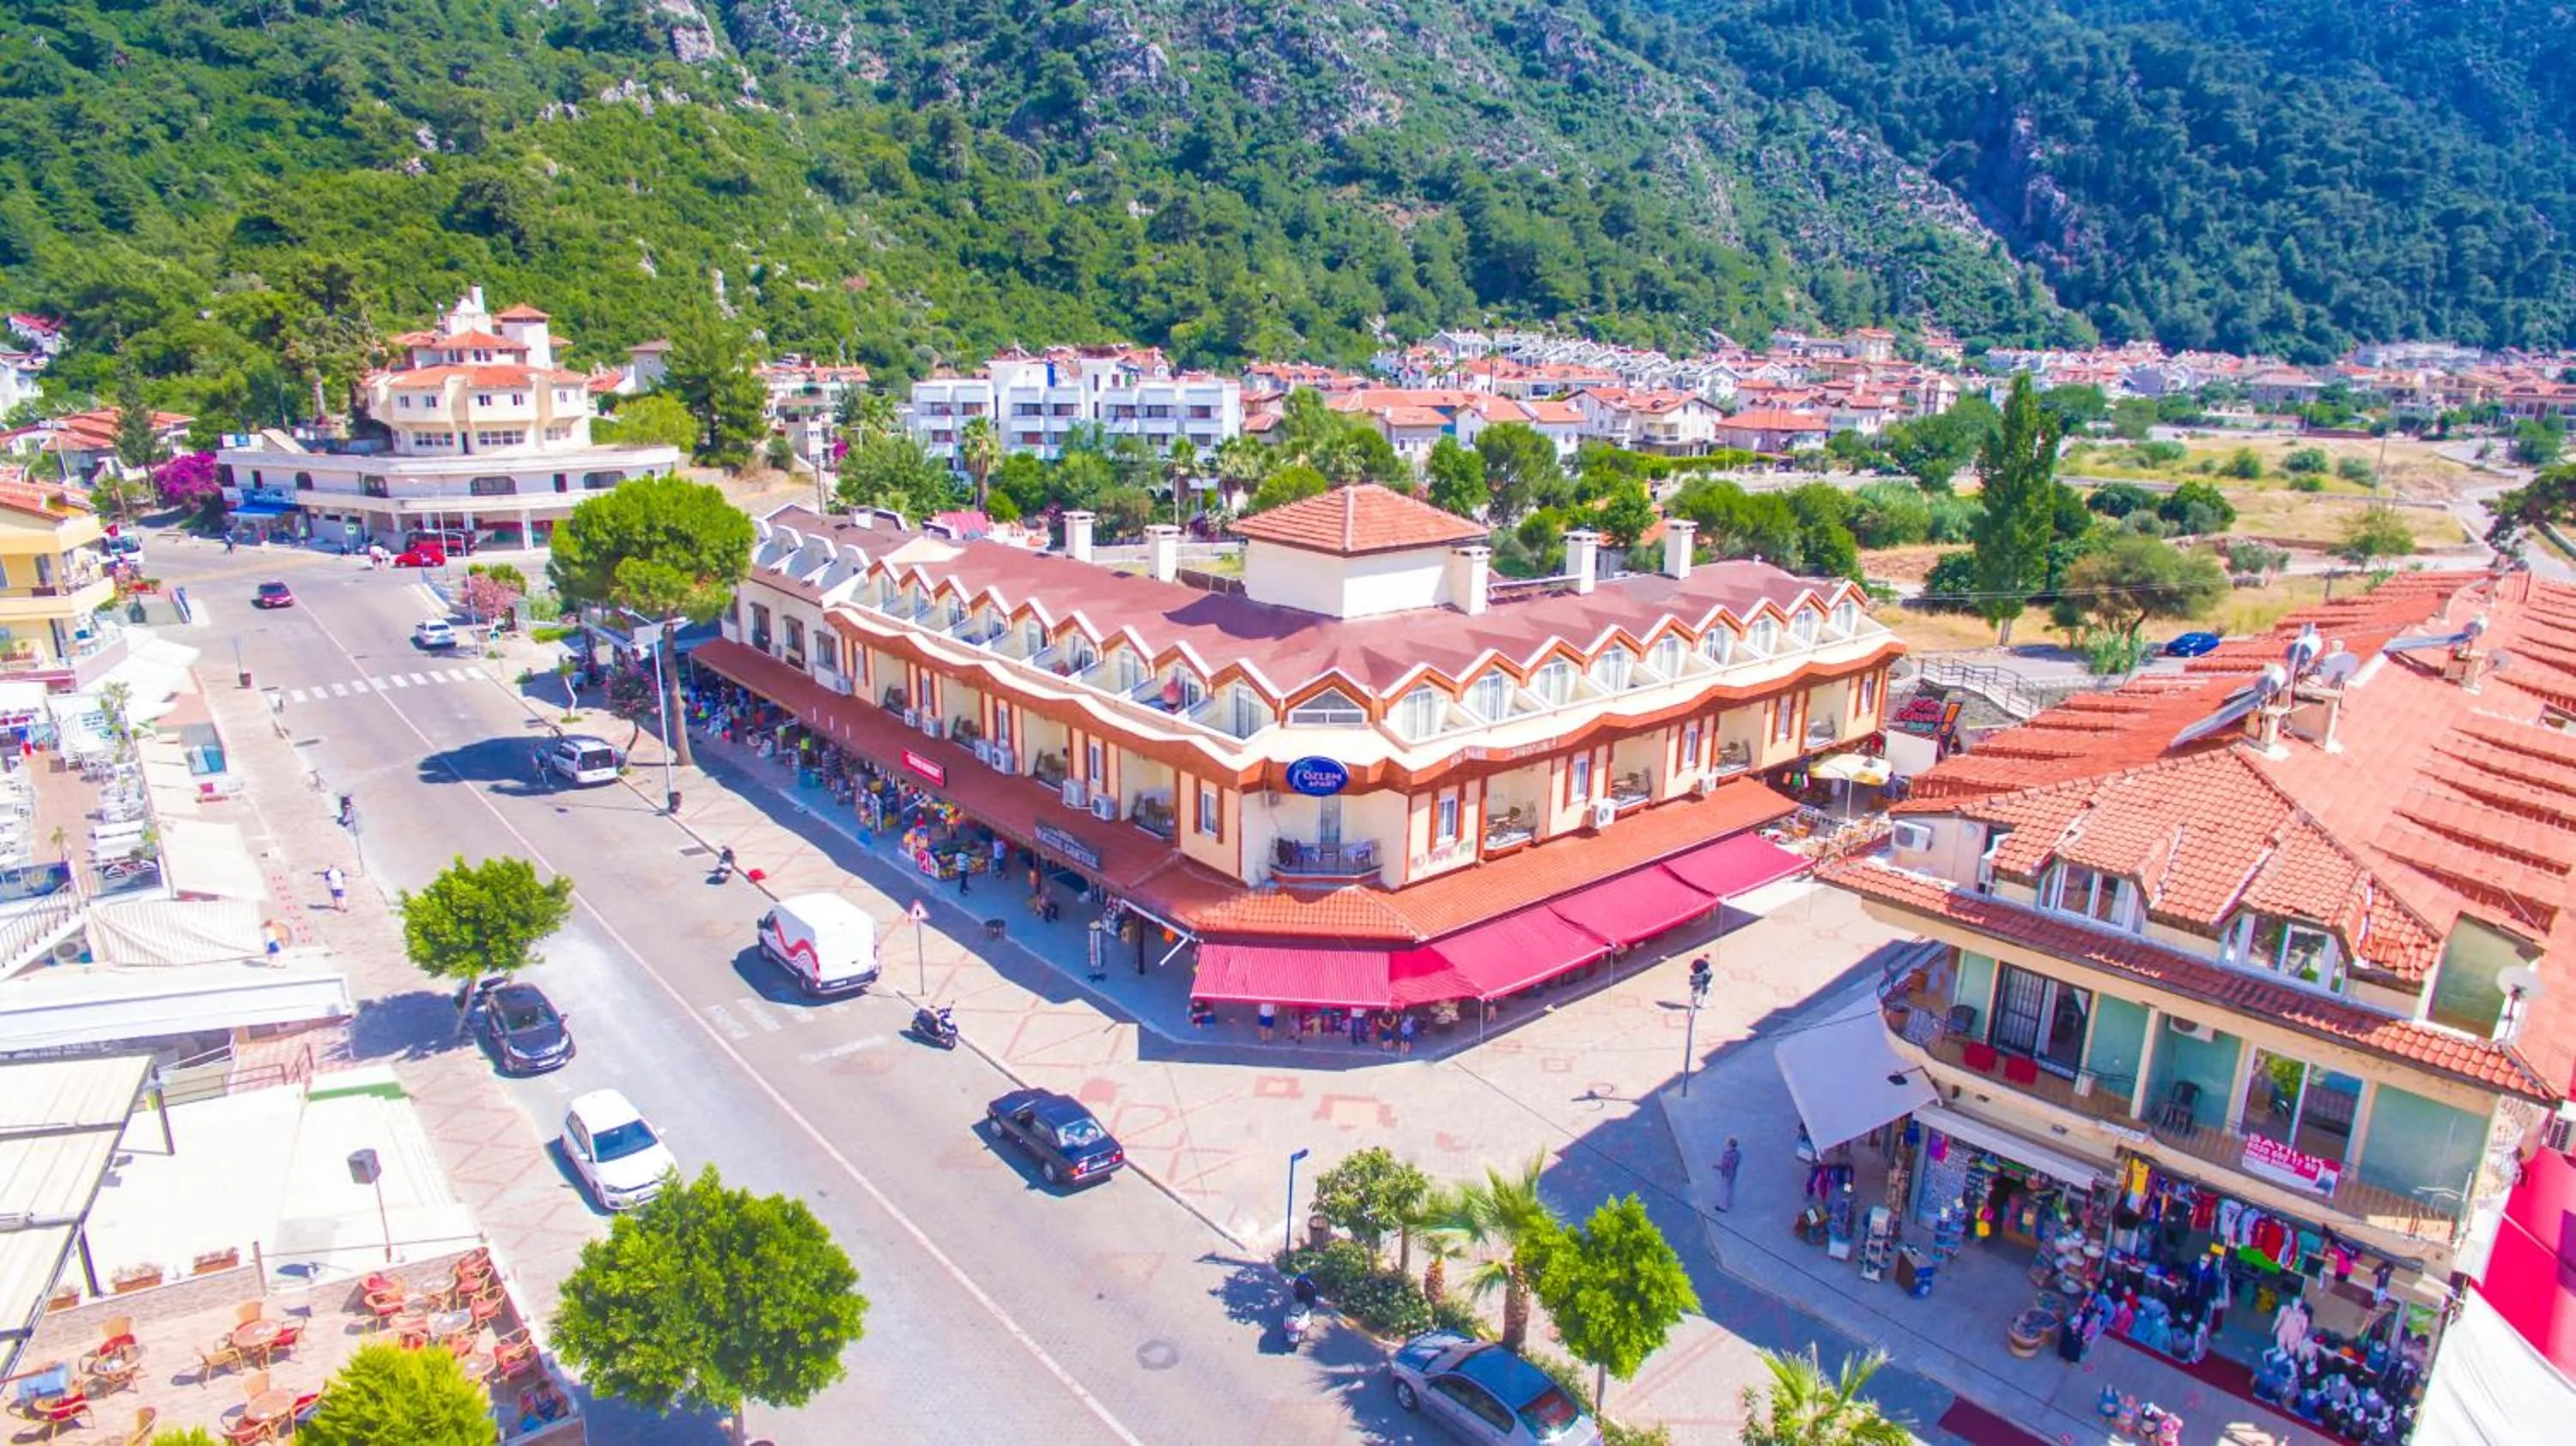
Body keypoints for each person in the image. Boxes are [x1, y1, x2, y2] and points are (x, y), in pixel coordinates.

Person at [1715, 1137, 1742, 1212]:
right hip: (1733, 1173)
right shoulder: (1738, 1154)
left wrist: (1716, 1167)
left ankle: (1723, 1206)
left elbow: (1724, 1166)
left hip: (1726, 1174)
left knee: (1724, 1189)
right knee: (1731, 1188)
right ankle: (1730, 1202)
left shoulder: (1727, 1154)